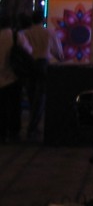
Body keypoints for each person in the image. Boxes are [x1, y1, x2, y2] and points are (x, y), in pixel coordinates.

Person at [17, 10, 64, 139]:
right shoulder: (49, 33)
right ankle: (33, 126)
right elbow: (58, 52)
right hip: (43, 65)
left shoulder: (25, 33)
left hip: (29, 64)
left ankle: (32, 125)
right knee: (41, 95)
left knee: (31, 94)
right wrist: (61, 59)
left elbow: (22, 48)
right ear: (43, 20)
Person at [0, 13, 23, 143]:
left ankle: (2, 131)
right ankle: (14, 131)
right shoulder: (16, 36)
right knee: (14, 105)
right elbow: (28, 50)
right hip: (13, 76)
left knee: (1, 106)